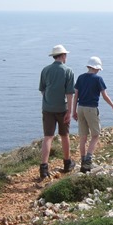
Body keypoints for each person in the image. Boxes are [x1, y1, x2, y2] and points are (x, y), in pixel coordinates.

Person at [72, 56, 113, 173]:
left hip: (80, 108)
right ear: (96, 68)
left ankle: (83, 163)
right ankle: (88, 161)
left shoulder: (80, 78)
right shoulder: (98, 79)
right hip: (91, 109)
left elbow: (75, 96)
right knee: (95, 135)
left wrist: (73, 111)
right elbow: (104, 96)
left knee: (83, 137)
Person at [38, 44, 76, 181]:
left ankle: (43, 168)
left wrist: (49, 100)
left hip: (47, 108)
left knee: (48, 137)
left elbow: (42, 90)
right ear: (63, 55)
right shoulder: (68, 71)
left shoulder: (45, 70)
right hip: (62, 108)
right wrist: (70, 111)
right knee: (64, 135)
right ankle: (67, 163)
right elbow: (70, 93)